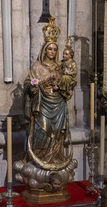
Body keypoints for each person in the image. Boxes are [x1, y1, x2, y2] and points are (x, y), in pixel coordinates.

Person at [23, 26, 73, 166]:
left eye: (55, 49)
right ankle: (39, 161)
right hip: (42, 104)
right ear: (44, 49)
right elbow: (28, 82)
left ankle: (55, 159)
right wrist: (33, 87)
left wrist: (64, 84)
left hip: (58, 104)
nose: (52, 52)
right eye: (50, 48)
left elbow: (67, 84)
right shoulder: (37, 66)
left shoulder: (60, 67)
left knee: (57, 133)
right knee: (42, 132)